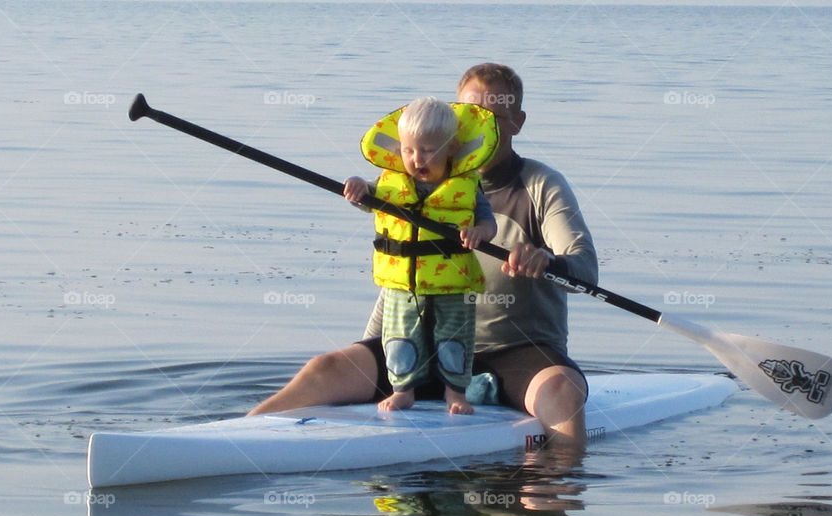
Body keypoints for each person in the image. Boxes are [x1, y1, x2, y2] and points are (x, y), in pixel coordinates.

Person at [249, 63, 598, 448]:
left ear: (517, 123)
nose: (476, 130)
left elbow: (584, 267)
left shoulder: (540, 185)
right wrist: (368, 349)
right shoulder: (410, 185)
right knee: (325, 368)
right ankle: (235, 437)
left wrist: (546, 261)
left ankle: (560, 474)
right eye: (468, 117)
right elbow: (404, 275)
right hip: (423, 349)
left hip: (516, 353)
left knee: (562, 392)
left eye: (492, 119)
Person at [343, 96, 499, 415]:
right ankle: (403, 390)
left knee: (454, 338)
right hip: (403, 284)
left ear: (452, 148)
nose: (417, 159)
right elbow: (368, 197)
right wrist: (358, 188)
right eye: (409, 150)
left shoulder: (466, 186)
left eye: (428, 150)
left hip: (452, 283)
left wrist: (479, 233)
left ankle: (456, 393)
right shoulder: (391, 182)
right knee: (399, 337)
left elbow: (489, 223)